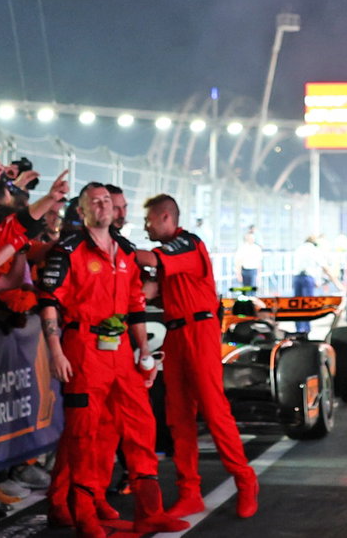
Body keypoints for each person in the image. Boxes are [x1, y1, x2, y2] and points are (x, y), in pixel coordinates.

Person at [36, 184, 186, 537]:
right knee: (84, 434)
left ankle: (151, 510)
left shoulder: (126, 252)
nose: (104, 207)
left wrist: (144, 354)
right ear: (83, 211)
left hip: (121, 352)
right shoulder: (68, 250)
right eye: (95, 202)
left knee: (140, 426)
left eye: (107, 201)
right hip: (83, 349)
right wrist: (55, 352)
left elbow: (135, 305)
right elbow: (48, 301)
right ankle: (83, 513)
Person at [135, 194, 257, 519]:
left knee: (214, 412)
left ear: (164, 217)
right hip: (176, 335)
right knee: (178, 418)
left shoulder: (187, 243)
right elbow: (148, 288)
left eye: (148, 219)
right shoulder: (172, 252)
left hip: (199, 332)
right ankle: (190, 492)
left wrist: (114, 247)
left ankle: (246, 481)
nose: (145, 225)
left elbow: (150, 260)